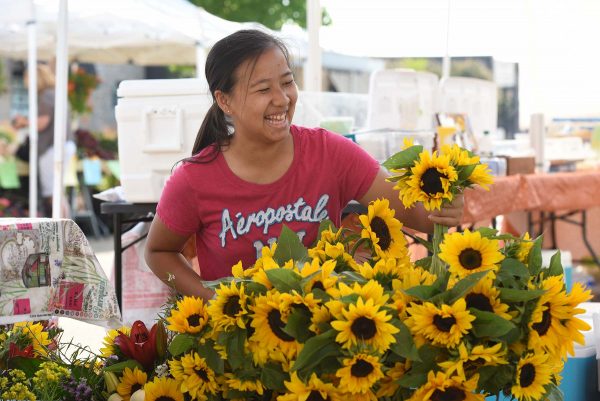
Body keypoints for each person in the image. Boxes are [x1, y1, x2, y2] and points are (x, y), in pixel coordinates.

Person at [145, 29, 464, 301]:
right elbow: (158, 253)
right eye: (263, 89)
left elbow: (417, 214)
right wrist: (211, 298)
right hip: (237, 346)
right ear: (224, 101)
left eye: (287, 82)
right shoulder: (193, 179)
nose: (282, 99)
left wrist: (446, 207)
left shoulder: (331, 153)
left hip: (323, 336)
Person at [12, 63, 76, 217]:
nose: (26, 84)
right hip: (62, 144)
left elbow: (42, 122)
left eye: (27, 79)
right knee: (58, 192)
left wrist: (23, 122)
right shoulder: (56, 94)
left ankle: (60, 230)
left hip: (51, 148)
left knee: (52, 193)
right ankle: (66, 227)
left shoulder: (46, 95)